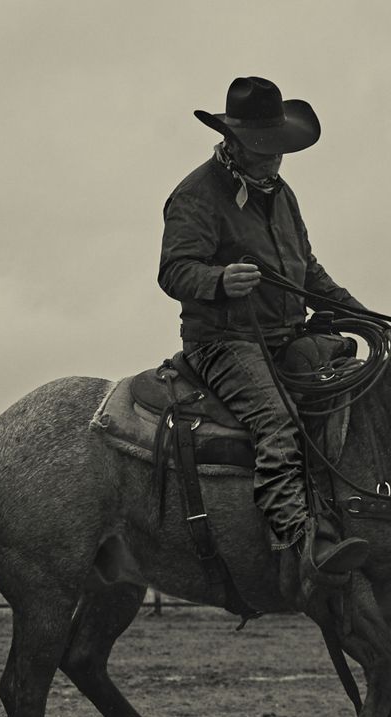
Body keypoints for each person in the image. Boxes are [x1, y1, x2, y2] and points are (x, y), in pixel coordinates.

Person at [157, 76, 368, 601]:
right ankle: (299, 545)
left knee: (348, 387)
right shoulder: (195, 195)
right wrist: (220, 281)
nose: (274, 161)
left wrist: (353, 311)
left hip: (285, 334)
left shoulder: (281, 195)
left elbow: (305, 269)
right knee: (276, 421)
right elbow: (174, 270)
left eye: (279, 150)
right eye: (263, 150)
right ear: (232, 141)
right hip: (223, 342)